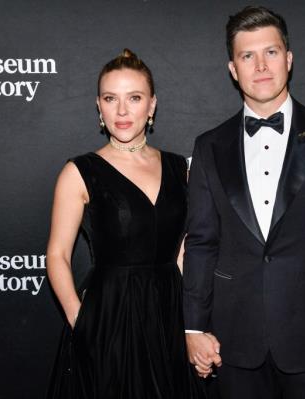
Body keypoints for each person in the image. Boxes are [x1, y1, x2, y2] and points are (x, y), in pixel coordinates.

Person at [183, 6, 305, 399]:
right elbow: (201, 243)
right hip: (233, 343)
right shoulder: (209, 146)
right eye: (247, 56)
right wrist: (194, 328)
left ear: (288, 59)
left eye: (270, 52)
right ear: (233, 69)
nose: (261, 66)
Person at [46, 49, 204, 399]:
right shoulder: (79, 172)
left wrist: (194, 320)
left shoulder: (182, 169)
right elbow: (57, 254)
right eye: (110, 98)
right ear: (98, 106)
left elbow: (184, 252)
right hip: (110, 317)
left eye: (134, 98)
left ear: (152, 106)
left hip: (169, 312)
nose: (121, 110)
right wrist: (80, 321)